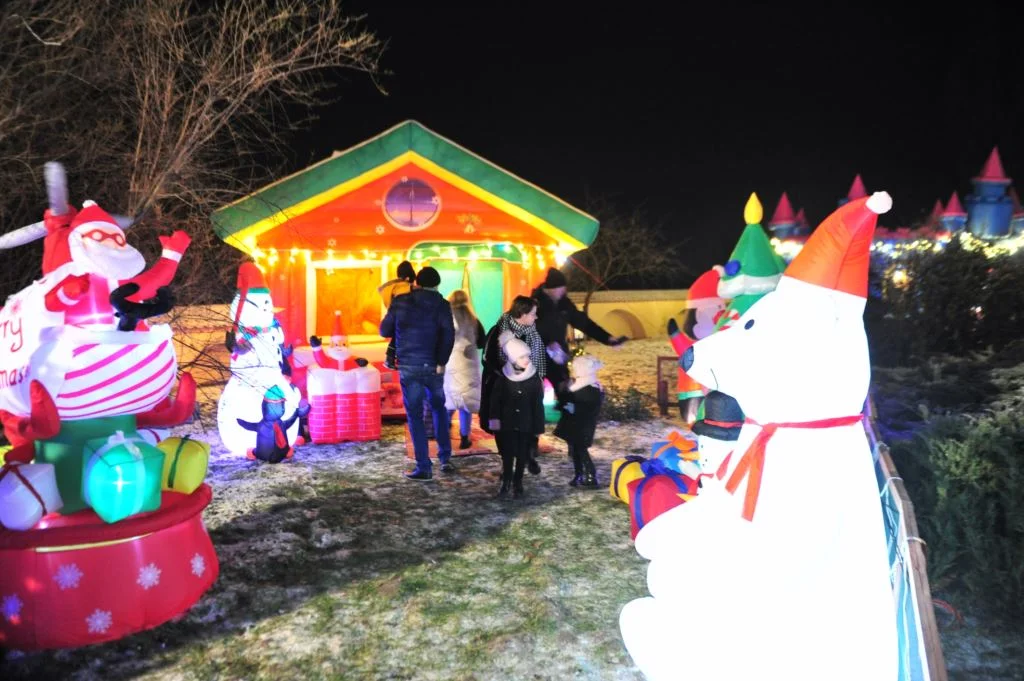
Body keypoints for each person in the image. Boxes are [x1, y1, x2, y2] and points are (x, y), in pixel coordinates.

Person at [379, 266, 455, 480]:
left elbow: (384, 330)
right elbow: (449, 335)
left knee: (415, 415)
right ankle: (445, 457)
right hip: (433, 367)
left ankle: (424, 466)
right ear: (437, 285)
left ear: (417, 283)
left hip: (409, 366)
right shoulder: (442, 305)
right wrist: (442, 361)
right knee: (439, 408)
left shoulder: (400, 302)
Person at [531, 267, 627, 390]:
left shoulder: (565, 304)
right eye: (560, 288)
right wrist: (546, 345)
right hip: (537, 358)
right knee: (534, 394)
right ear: (549, 289)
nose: (563, 291)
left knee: (564, 393)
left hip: (558, 358)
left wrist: (608, 338)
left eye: (564, 287)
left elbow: (585, 323)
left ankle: (565, 406)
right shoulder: (534, 304)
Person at [480, 295, 545, 474]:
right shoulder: (498, 331)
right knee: (505, 426)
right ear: (522, 314)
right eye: (533, 313)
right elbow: (486, 358)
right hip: (503, 388)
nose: (536, 317)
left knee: (528, 420)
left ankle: (528, 455)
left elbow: (539, 359)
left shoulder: (532, 333)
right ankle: (507, 462)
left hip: (528, 386)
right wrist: (506, 374)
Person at [487, 332, 545, 499]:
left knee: (521, 455)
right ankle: (506, 481)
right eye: (521, 357)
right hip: (507, 424)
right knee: (507, 455)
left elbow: (537, 404)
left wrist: (537, 427)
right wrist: (495, 419)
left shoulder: (534, 379)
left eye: (527, 356)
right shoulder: (503, 379)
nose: (526, 360)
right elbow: (495, 401)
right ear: (513, 359)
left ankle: (518, 482)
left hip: (525, 424)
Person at [444, 290, 487, 450]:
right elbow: (482, 341)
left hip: (451, 364)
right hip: (469, 365)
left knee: (449, 399)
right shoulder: (473, 319)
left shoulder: (447, 319)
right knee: (466, 403)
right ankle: (464, 436)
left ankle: (444, 427)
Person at [553, 355, 605, 488]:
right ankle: (578, 474)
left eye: (577, 368)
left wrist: (574, 408)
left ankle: (590, 475)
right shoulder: (577, 384)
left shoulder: (592, 387)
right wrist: (564, 402)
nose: (575, 370)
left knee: (581, 448)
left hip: (583, 424)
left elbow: (591, 407)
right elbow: (567, 397)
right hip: (573, 423)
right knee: (576, 449)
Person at [377, 261, 416, 370]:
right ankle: (391, 359)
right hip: (404, 320)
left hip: (392, 318)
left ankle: (390, 359)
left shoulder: (393, 288)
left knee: (397, 334)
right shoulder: (405, 289)